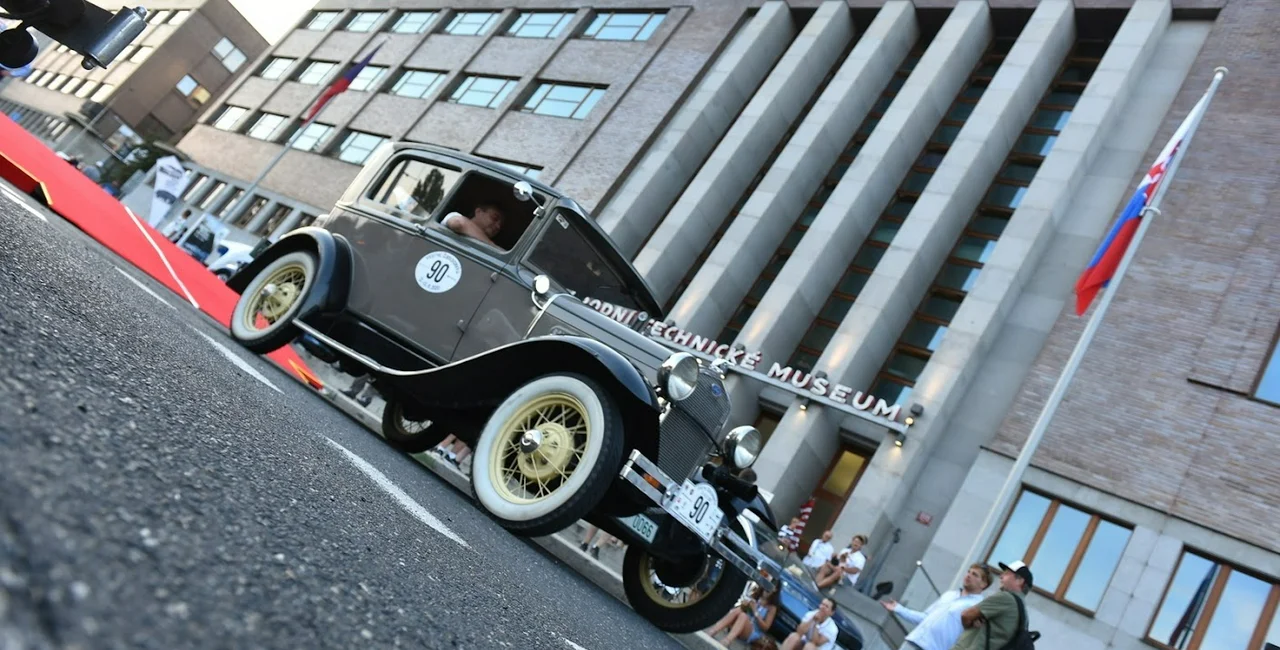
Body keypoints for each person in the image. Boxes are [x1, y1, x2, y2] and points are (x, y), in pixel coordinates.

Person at [883, 563, 990, 650]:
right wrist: (899, 609)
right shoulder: (950, 594)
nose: (968, 575)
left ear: (984, 584)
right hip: (914, 641)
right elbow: (925, 618)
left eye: (975, 574)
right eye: (969, 572)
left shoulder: (979, 607)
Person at [950, 560, 1033, 650]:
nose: (1001, 576)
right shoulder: (1023, 612)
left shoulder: (1006, 597)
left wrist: (972, 622)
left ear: (1019, 580)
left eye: (1007, 573)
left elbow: (966, 615)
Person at [706, 584, 779, 648]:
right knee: (738, 611)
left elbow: (765, 627)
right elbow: (742, 609)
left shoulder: (772, 607)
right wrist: (744, 605)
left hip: (753, 632)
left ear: (775, 590)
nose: (767, 590)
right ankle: (713, 630)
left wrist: (755, 611)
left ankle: (727, 640)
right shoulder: (756, 595)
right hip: (740, 622)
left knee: (743, 616)